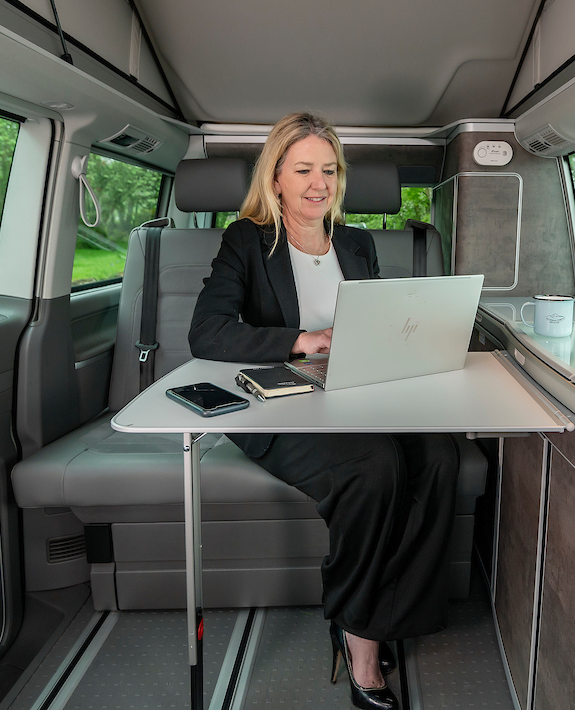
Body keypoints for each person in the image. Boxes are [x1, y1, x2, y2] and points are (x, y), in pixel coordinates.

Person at [188, 111, 459, 710]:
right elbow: (206, 332)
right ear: (276, 178)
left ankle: (384, 612)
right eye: (303, 169)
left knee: (441, 455)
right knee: (375, 465)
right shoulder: (247, 241)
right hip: (280, 406)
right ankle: (361, 640)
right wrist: (302, 340)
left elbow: (378, 321)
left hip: (359, 392)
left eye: (329, 170)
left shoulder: (359, 242)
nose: (319, 183)